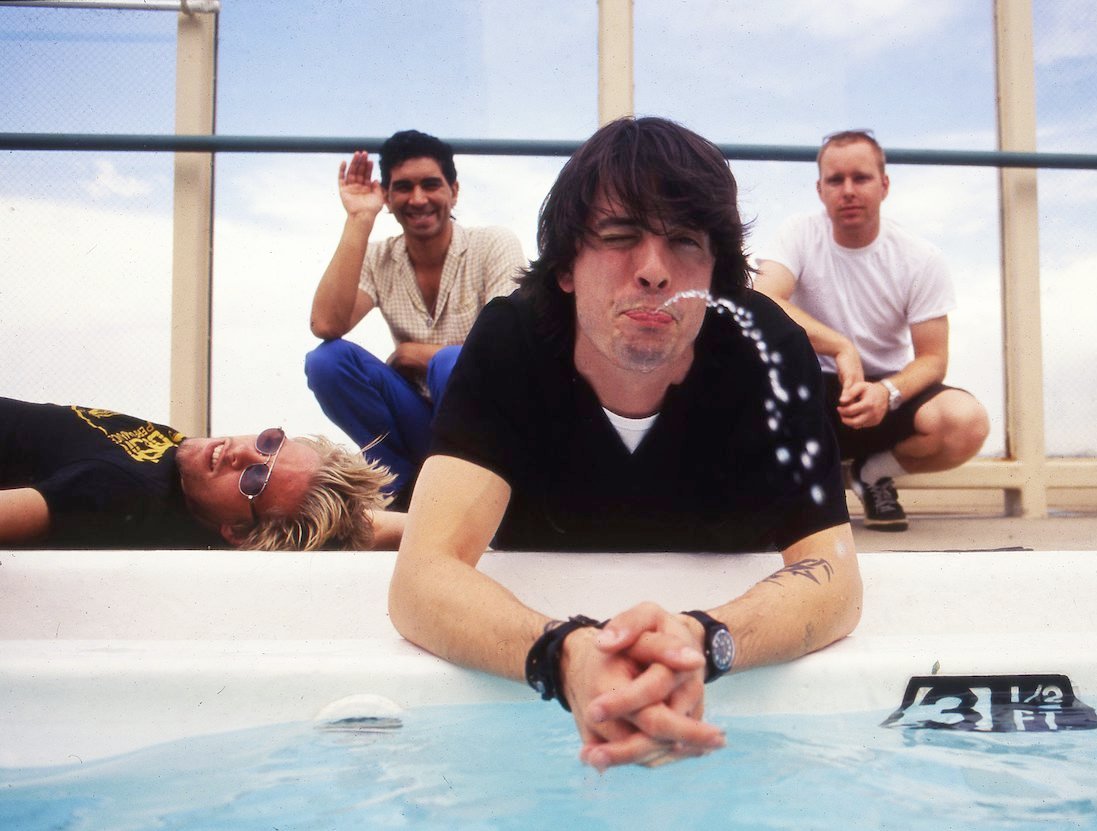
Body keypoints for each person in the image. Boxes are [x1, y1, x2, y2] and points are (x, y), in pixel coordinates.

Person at [388, 117, 862, 771]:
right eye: (619, 237)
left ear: (717, 272)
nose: (654, 271)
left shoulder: (769, 352)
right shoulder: (511, 343)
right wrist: (565, 655)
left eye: (685, 242)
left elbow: (834, 576)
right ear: (564, 268)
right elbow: (419, 581)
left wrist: (704, 641)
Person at [755, 129, 989, 532]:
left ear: (884, 185)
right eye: (835, 180)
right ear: (819, 189)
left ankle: (872, 474)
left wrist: (887, 391)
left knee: (965, 421)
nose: (847, 191)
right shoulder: (799, 233)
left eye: (860, 178)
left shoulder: (919, 258)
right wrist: (840, 346)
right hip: (811, 391)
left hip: (884, 396)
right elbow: (763, 299)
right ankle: (790, 494)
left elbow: (934, 359)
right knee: (737, 392)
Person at [306, 129, 526, 505]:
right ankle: (402, 488)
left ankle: (462, 492)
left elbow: (509, 347)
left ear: (453, 191)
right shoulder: (379, 257)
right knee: (327, 361)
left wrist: (415, 353)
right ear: (388, 198)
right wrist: (360, 219)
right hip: (419, 425)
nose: (418, 198)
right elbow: (326, 325)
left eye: (430, 184)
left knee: (449, 363)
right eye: (404, 187)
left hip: (485, 432)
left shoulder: (493, 244)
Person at [0, 396, 403, 550]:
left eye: (254, 480)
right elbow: (369, 525)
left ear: (238, 533)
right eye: (269, 442)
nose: (240, 452)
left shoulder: (122, 494)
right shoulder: (191, 473)